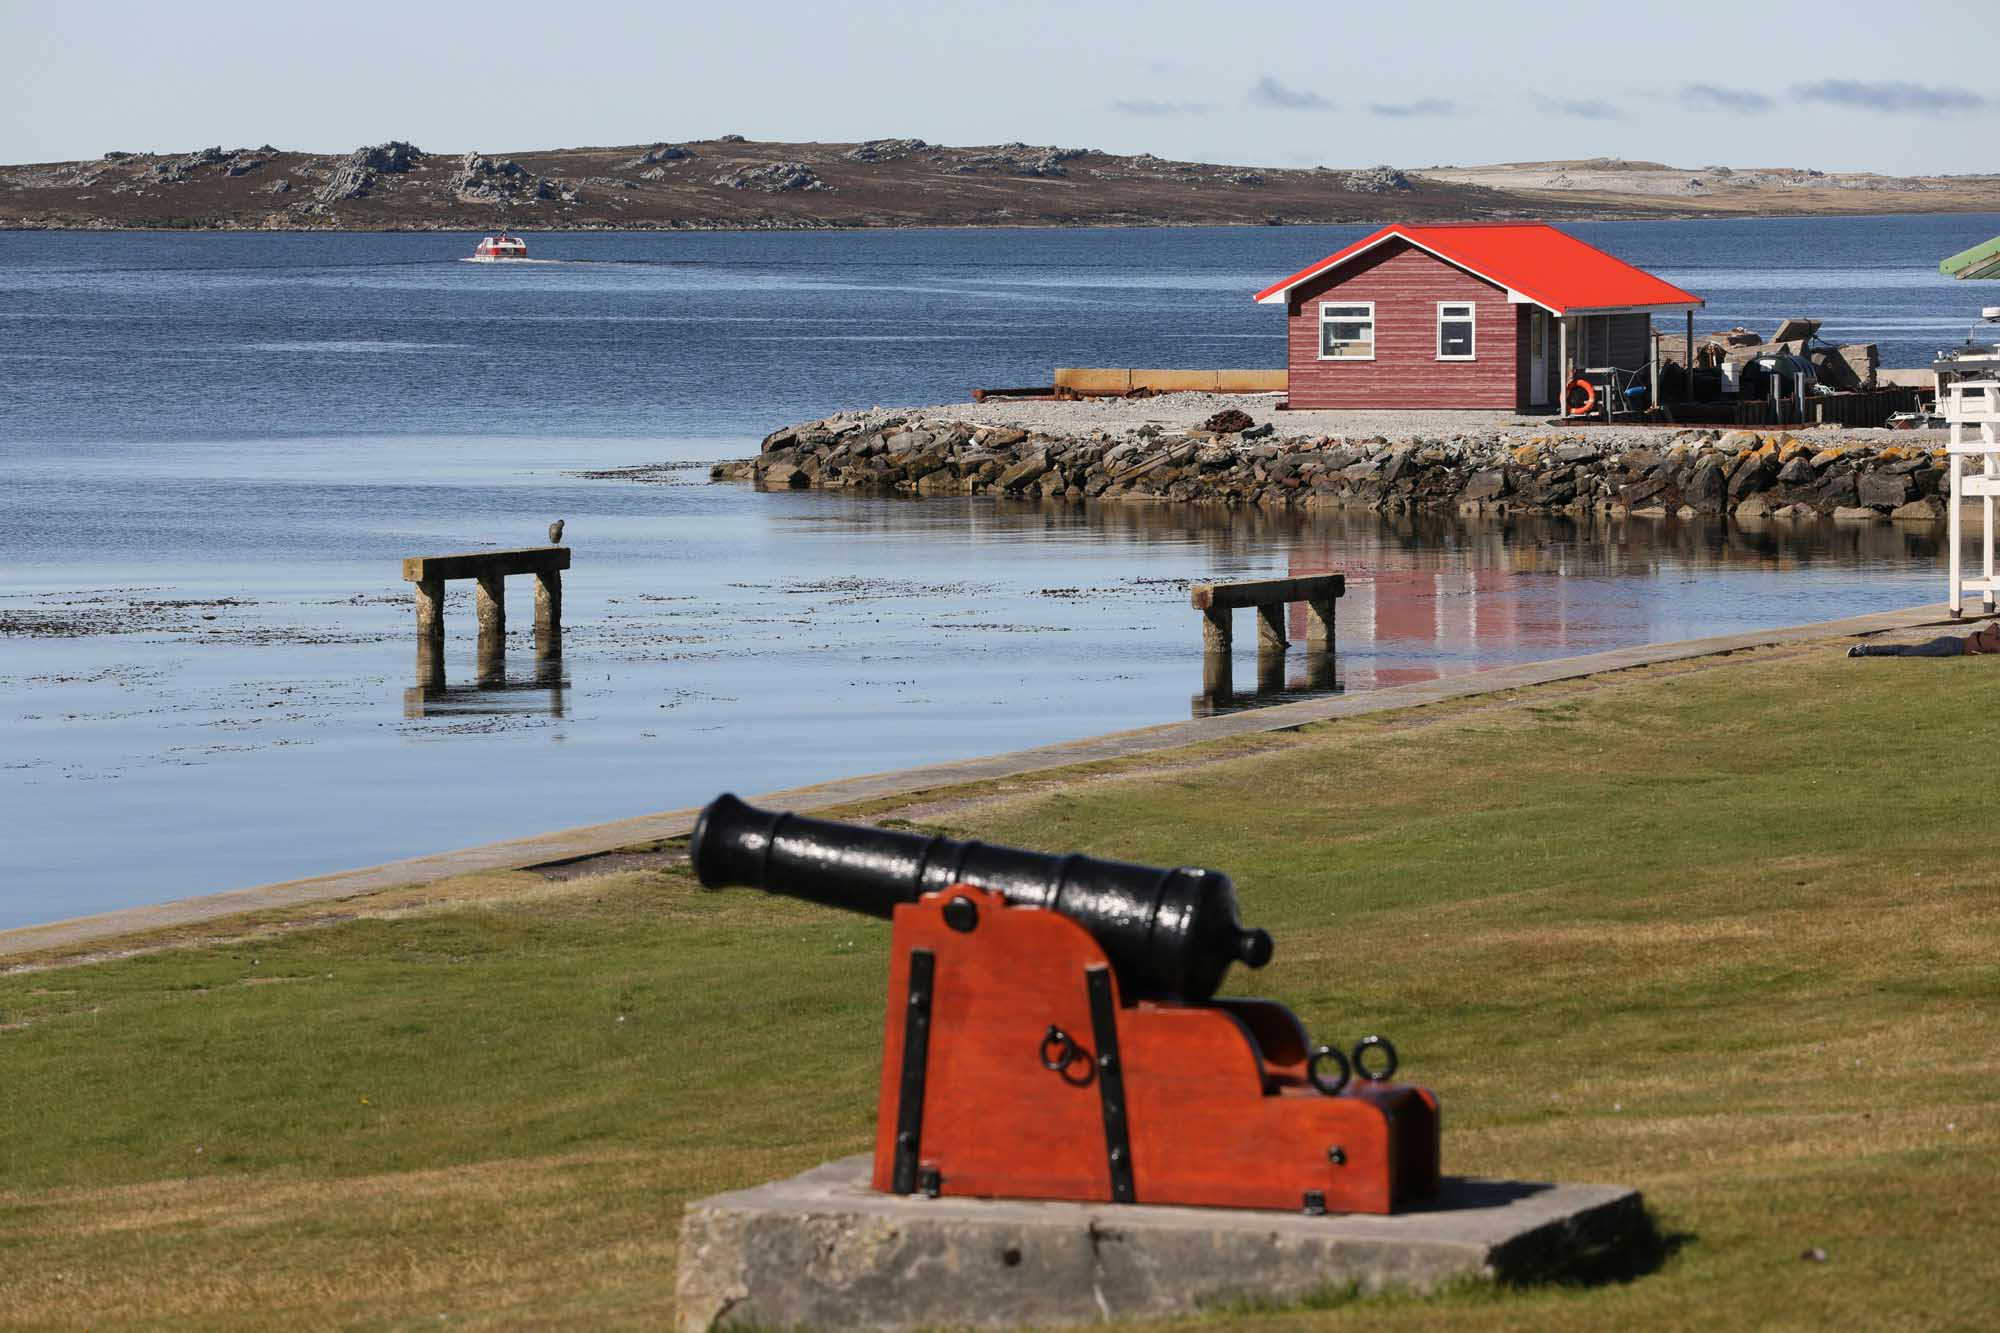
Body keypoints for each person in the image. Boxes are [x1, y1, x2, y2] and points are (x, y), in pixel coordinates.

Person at [1849, 622, 2000, 657]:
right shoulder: (1995, 640)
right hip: (1950, 647)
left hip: (1951, 642)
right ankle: (1865, 650)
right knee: (1906, 652)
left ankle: (1866, 650)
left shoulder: (1992, 633)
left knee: (1908, 650)